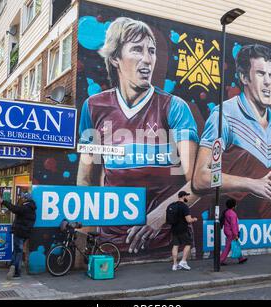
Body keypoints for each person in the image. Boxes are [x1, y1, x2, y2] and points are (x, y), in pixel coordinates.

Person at [77, 17, 199, 254]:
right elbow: (85, 181)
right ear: (115, 58)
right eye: (136, 49)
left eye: (151, 51)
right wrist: (83, 242)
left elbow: (196, 183)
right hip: (109, 245)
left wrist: (159, 216)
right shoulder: (93, 107)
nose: (147, 59)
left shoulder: (174, 107)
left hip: (164, 247)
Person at [192, 44, 271, 219]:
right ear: (244, 77)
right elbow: (200, 178)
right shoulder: (224, 115)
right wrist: (250, 184)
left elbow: (258, 180)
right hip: (226, 225)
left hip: (260, 230)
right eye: (261, 74)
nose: (268, 82)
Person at [1, 192, 36, 280]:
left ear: (25, 199)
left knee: (18, 252)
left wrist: (4, 202)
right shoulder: (32, 208)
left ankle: (17, 272)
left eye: (22, 197)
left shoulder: (25, 207)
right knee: (17, 251)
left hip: (19, 232)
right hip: (25, 233)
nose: (21, 198)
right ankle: (12, 266)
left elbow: (14, 209)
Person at [171, 191, 198, 271]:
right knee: (188, 243)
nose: (188, 197)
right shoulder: (184, 207)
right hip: (183, 228)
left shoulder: (173, 205)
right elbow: (189, 220)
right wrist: (194, 219)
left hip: (174, 228)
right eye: (187, 196)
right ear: (183, 196)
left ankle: (175, 265)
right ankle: (183, 261)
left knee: (175, 245)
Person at [220, 198, 248, 265]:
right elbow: (233, 225)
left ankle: (241, 258)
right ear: (233, 206)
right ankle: (220, 260)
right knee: (228, 247)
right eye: (236, 204)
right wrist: (236, 234)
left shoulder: (226, 212)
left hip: (227, 231)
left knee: (236, 244)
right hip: (231, 233)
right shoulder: (232, 214)